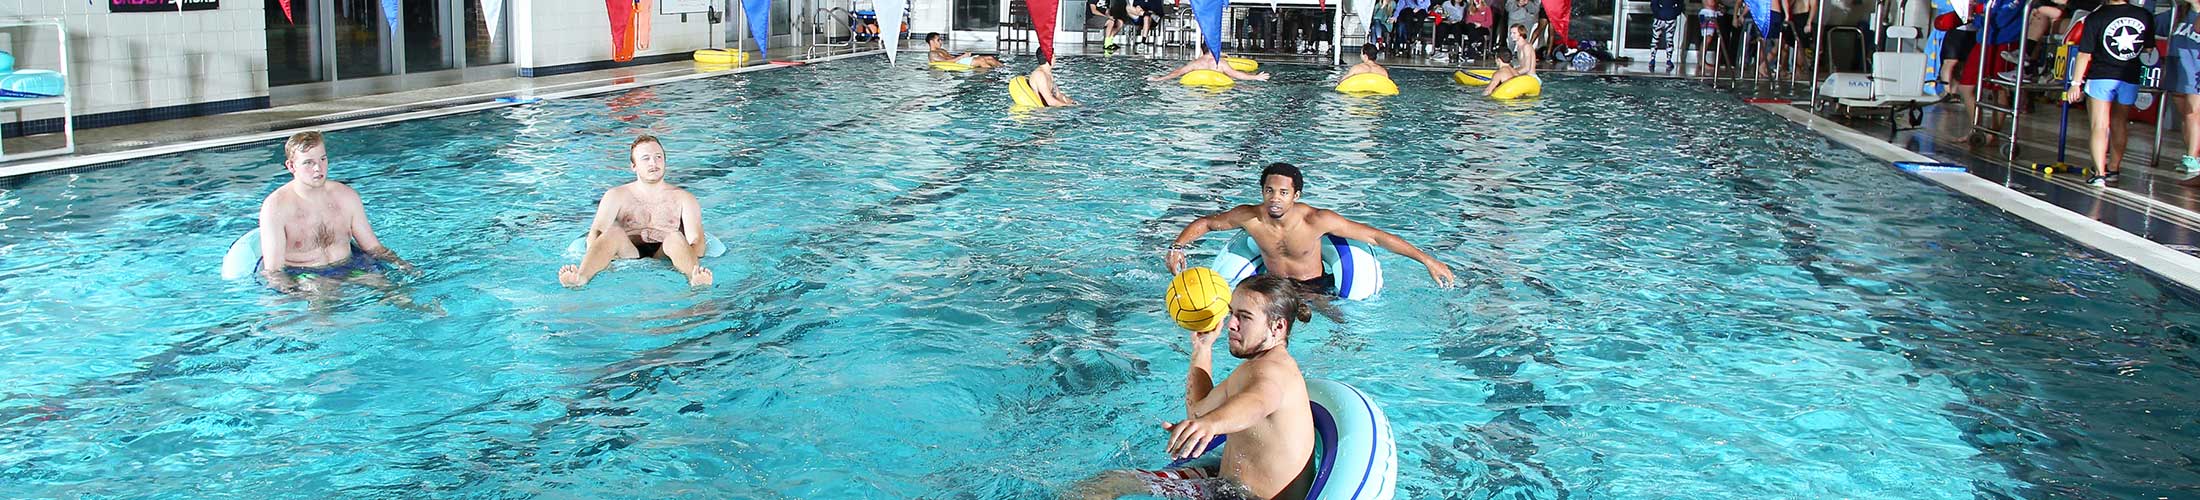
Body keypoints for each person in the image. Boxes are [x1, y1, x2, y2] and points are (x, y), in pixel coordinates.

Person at [1064, 274, 1317, 500]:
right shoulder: (1254, 366)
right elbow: (1198, 412)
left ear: (1278, 326)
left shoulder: (1275, 372)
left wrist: (1212, 425)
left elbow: (1258, 402)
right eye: (1231, 313)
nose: (1230, 324)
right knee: (1104, 484)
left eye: (1244, 317)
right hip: (1224, 484)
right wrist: (1202, 349)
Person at [1164, 163, 1456, 295]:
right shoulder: (1249, 217)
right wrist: (1177, 246)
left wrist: (1428, 260)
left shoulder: (1317, 220)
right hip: (1273, 285)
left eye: (1282, 192)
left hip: (1316, 288)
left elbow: (1375, 236)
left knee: (1340, 329)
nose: (1274, 198)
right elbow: (1207, 222)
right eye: (1269, 191)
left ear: (1296, 195)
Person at [256, 131, 417, 294]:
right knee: (319, 291)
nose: (318, 168)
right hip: (304, 275)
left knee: (392, 290)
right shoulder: (276, 207)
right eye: (308, 163)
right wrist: (290, 291)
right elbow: (274, 270)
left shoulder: (346, 196)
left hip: (349, 266)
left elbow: (372, 247)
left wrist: (401, 264)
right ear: (291, 166)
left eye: (323, 159)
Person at [558, 135, 715, 288]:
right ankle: (581, 277)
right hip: (627, 253)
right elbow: (596, 233)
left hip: (665, 256)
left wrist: (685, 258)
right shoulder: (616, 195)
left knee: (674, 236)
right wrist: (605, 262)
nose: (653, 162)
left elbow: (698, 243)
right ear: (634, 166)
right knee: (613, 232)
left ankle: (694, 278)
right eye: (646, 158)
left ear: (665, 161)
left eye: (658, 157)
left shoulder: (684, 199)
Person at [2067, 0, 2152, 186]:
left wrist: (2075, 83)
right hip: (2129, 76)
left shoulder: (2096, 17)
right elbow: (2147, 48)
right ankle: (2114, 169)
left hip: (2101, 75)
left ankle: (2099, 173)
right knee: (2119, 123)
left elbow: (2084, 54)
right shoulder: (2143, 15)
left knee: (2100, 125)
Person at [2161, 1, 2200, 173]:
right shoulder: (2177, 13)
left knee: (2193, 113)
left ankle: (2192, 156)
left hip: (2194, 68)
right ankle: (2192, 156)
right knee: (2186, 115)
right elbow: (2150, 23)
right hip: (2176, 65)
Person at [1147, 46, 1275, 81]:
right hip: (1219, 88)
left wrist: (1159, 79)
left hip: (1196, 88)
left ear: (1202, 50)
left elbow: (1177, 73)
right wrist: (1256, 77)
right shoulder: (1220, 63)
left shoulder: (1196, 63)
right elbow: (1236, 74)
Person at [1485, 24, 1538, 96]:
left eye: (1514, 33)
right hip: (1523, 77)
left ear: (1521, 33)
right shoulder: (1519, 46)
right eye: (1511, 33)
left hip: (1531, 78)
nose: (1511, 35)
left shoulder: (1526, 46)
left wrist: (1509, 73)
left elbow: (1527, 68)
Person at [927, 33, 1003, 69]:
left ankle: (1003, 68)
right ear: (931, 42)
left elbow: (951, 57)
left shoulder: (941, 50)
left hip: (959, 60)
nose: (941, 42)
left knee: (989, 57)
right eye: (938, 40)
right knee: (981, 60)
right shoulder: (932, 54)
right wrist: (963, 56)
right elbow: (947, 62)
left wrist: (963, 56)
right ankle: (992, 76)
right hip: (957, 62)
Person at [1649, 0, 1684, 72]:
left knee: (1658, 39)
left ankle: (1655, 59)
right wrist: (1674, 13)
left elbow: (1653, 4)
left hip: (1663, 17)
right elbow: (1680, 4)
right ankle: (1664, 60)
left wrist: (1658, 13)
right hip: (1667, 17)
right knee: (1667, 39)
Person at [1697, 0, 1724, 76]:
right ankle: (1702, 62)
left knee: (1708, 38)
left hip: (1709, 14)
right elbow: (1711, 3)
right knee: (1707, 37)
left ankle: (1702, 61)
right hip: (1706, 14)